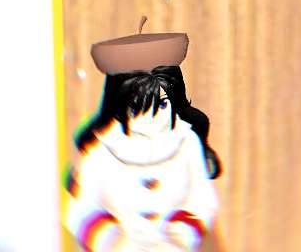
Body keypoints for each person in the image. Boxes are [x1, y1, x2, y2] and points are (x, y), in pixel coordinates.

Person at [64, 20, 221, 252]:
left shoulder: (186, 143)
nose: (152, 117)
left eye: (162, 105)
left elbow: (203, 201)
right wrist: (113, 243)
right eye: (139, 107)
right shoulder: (102, 150)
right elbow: (79, 211)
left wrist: (179, 237)